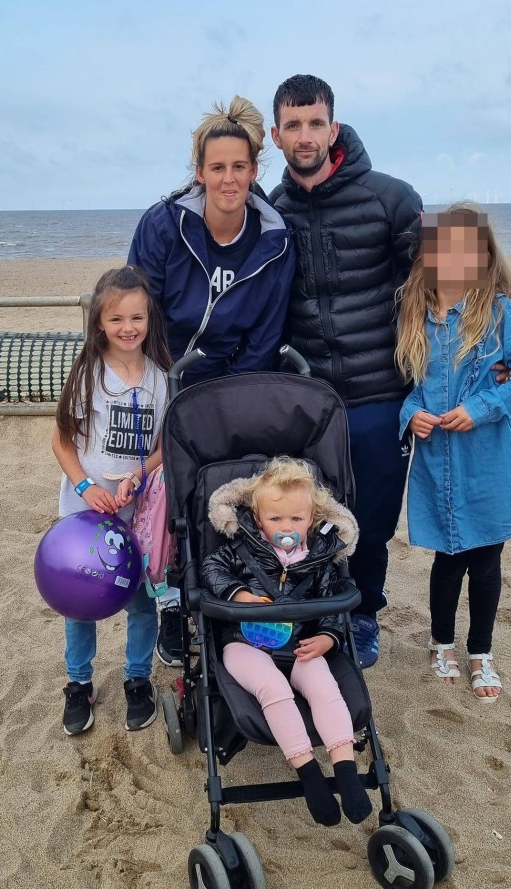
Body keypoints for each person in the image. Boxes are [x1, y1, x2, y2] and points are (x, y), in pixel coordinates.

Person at [129, 95, 296, 667]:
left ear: (255, 170)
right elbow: (139, 309)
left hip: (231, 380)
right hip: (164, 373)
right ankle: (172, 604)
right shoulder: (163, 225)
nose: (229, 178)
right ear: (199, 172)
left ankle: (231, 592)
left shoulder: (274, 240)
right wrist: (164, 387)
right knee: (166, 494)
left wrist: (227, 401)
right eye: (218, 167)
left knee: (225, 485)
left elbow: (265, 334)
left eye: (240, 167)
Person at [266, 75, 423, 669]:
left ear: (333, 128)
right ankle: (315, 610)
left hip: (382, 393)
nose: (304, 135)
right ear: (277, 135)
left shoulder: (393, 197)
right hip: (308, 400)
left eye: (315, 123)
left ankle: (361, 615)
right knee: (304, 517)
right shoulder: (272, 212)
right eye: (292, 125)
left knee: (373, 521)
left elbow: (443, 287)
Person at [396, 203, 511, 702]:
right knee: (448, 558)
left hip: (488, 462)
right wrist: (410, 415)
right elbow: (414, 387)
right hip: (437, 463)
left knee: (485, 561)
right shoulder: (414, 314)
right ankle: (441, 642)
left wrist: (481, 406)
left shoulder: (499, 312)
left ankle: (480, 651)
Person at [202, 457, 372, 826]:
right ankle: (309, 773)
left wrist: (328, 638)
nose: (286, 526)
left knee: (325, 685)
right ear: (257, 517)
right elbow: (210, 569)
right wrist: (239, 594)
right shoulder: (240, 547)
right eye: (275, 519)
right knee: (272, 686)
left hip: (302, 643)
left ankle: (345, 769)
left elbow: (332, 602)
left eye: (296, 519)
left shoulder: (320, 556)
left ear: (311, 520)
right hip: (245, 642)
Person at [51, 266, 172, 735]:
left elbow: (164, 444)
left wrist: (143, 473)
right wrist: (86, 486)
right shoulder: (89, 374)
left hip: (135, 515)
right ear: (100, 322)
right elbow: (61, 440)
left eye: (137, 318)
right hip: (86, 515)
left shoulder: (161, 378)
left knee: (142, 603)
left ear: (149, 319)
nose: (128, 328)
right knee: (79, 603)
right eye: (117, 318)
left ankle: (137, 678)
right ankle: (79, 681)